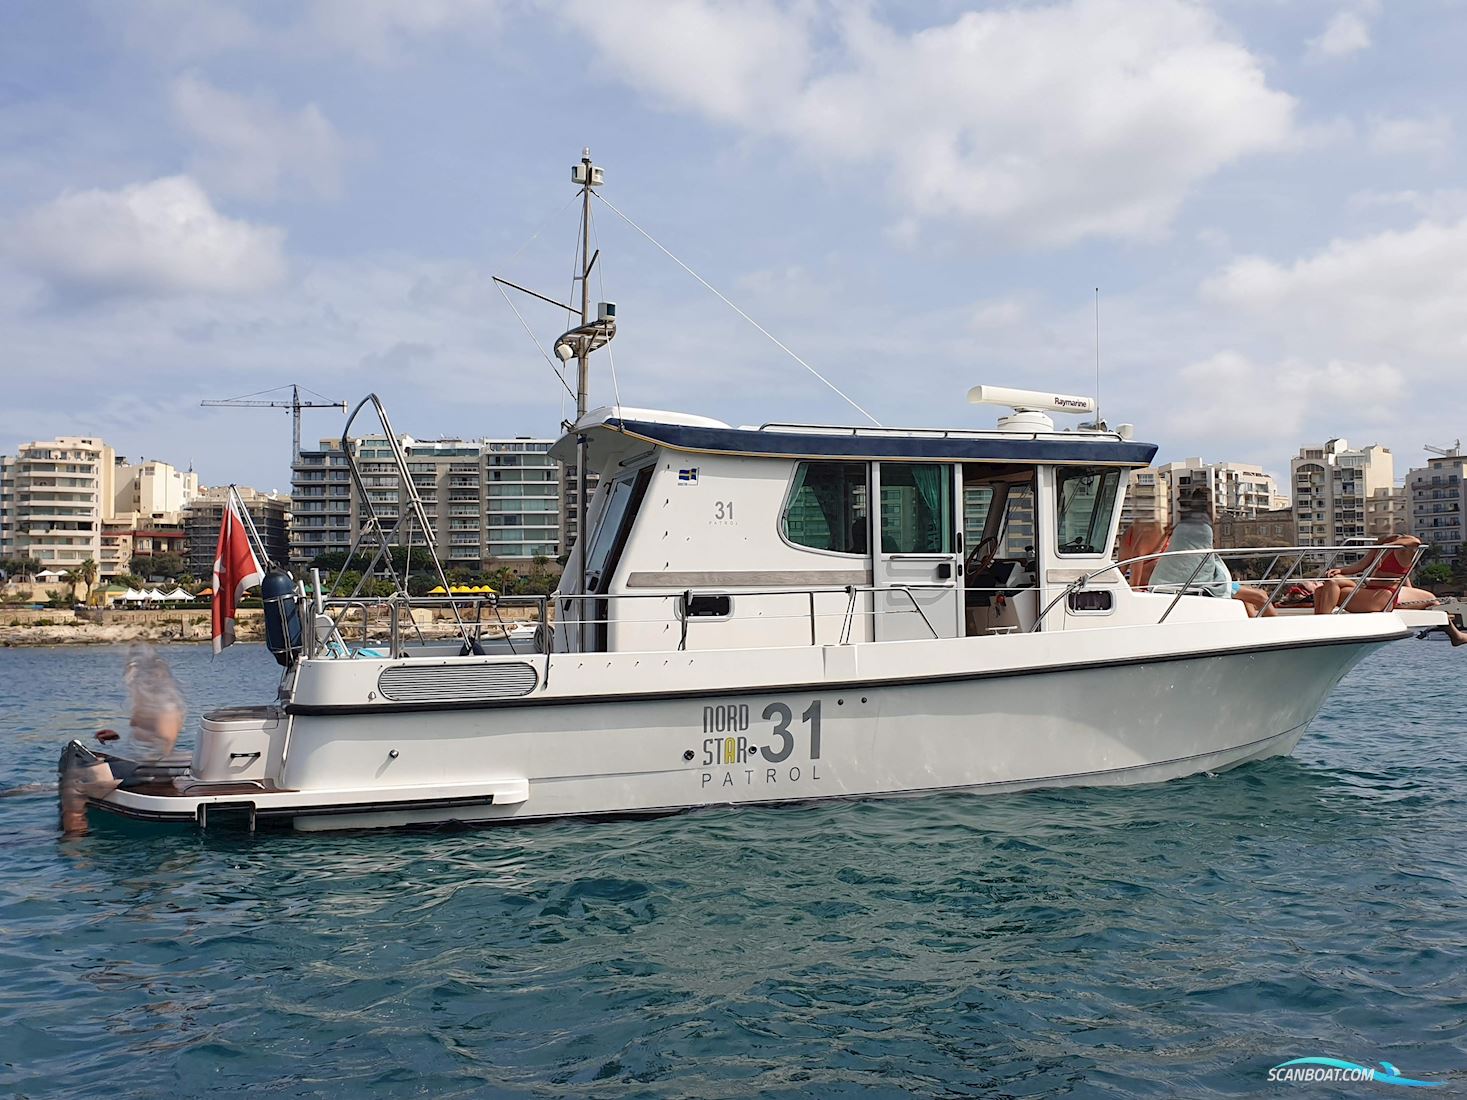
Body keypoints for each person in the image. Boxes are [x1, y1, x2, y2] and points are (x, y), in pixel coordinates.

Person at [1313, 532, 1467, 643]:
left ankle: (1322, 624)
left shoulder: (1401, 552)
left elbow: (1415, 541)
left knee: (1332, 584)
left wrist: (1390, 545)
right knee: (1328, 583)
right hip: (1371, 592)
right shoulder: (1379, 550)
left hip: (1382, 596)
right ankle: (1319, 622)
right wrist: (1341, 571)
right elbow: (1360, 565)